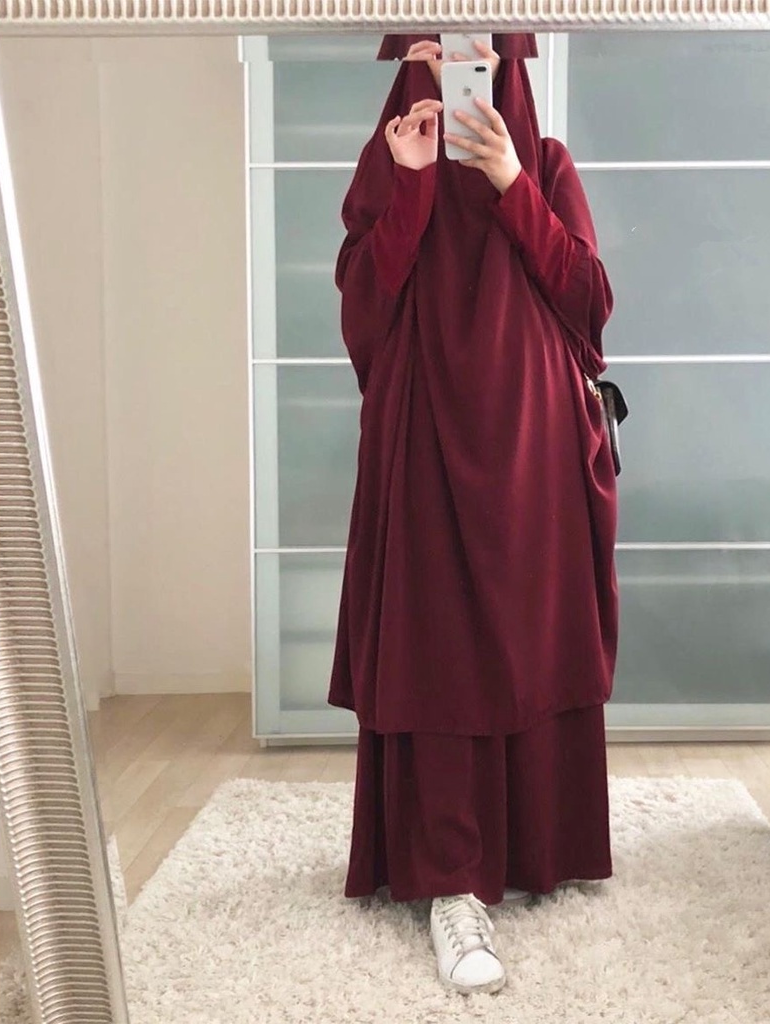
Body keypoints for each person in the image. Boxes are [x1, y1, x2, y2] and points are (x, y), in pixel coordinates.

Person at [327, 32, 619, 995]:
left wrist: (510, 183)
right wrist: (412, 184)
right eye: (429, 51)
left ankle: (535, 851)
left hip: (534, 446)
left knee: (529, 636)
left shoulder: (547, 164)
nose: (449, 72)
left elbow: (589, 304)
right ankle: (450, 881)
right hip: (422, 438)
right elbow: (364, 316)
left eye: (472, 55)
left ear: (509, 69)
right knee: (438, 643)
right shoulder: (387, 165)